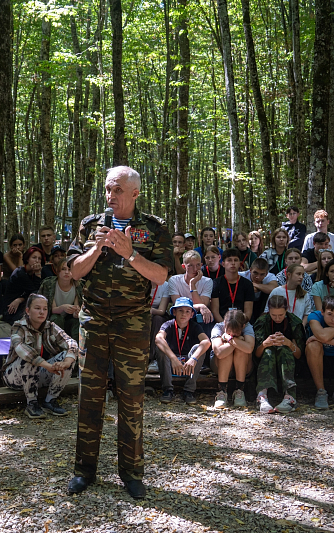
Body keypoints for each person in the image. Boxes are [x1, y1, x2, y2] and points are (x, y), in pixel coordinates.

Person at [67, 165, 172, 500]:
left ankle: (131, 473)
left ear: (135, 193)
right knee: (89, 397)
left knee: (131, 399)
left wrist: (130, 253)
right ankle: (84, 471)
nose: (110, 196)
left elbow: (159, 276)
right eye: (108, 190)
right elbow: (73, 272)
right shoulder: (89, 225)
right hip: (94, 321)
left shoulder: (154, 228)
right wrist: (96, 248)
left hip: (132, 324)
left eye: (117, 190)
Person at [2, 293, 78, 418]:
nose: (42, 312)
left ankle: (50, 400)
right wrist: (47, 365)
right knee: (28, 358)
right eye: (37, 308)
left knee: (68, 355)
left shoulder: (50, 326)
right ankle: (32, 403)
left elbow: (71, 343)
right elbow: (21, 349)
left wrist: (66, 362)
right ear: (28, 310)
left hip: (40, 373)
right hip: (15, 376)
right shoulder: (18, 326)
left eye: (45, 309)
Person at [252, 295, 306, 413]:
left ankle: (290, 397)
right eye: (273, 315)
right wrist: (265, 344)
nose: (277, 318)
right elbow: (256, 354)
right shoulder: (262, 322)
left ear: (286, 310)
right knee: (269, 351)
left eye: (281, 315)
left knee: (284, 350)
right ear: (269, 311)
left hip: (289, 361)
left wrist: (289, 344)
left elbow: (299, 355)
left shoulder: (294, 323)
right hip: (265, 359)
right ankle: (262, 396)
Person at [155, 297, 211, 405]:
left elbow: (206, 341)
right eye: (180, 310)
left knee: (199, 348)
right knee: (161, 348)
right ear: (174, 312)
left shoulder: (195, 326)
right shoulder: (168, 324)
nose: (183, 314)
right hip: (171, 362)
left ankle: (189, 390)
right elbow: (158, 338)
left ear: (191, 315)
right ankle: (168, 390)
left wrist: (193, 359)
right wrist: (173, 358)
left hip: (188, 362)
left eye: (187, 311)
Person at [209, 309, 254, 408]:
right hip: (220, 365)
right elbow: (219, 353)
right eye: (229, 333)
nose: (232, 335)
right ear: (224, 324)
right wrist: (237, 341)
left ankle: (239, 391)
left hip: (243, 365)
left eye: (235, 334)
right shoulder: (218, 327)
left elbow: (249, 348)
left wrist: (229, 339)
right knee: (226, 352)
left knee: (242, 350)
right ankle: (222, 391)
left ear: (243, 326)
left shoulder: (248, 327)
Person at [38, 257, 83, 341]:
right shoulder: (49, 284)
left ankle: (76, 348)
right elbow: (51, 310)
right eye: (63, 269)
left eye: (69, 269)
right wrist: (63, 308)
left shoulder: (78, 286)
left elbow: (77, 308)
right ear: (58, 271)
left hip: (69, 320)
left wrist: (76, 312)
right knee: (57, 318)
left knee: (77, 321)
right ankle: (57, 347)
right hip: (52, 319)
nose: (67, 272)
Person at [168, 250, 214, 328]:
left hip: (198, 316)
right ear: (184, 266)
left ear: (201, 265)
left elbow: (204, 303)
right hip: (181, 314)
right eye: (190, 265)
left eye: (198, 265)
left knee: (206, 317)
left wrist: (192, 284)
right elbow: (178, 305)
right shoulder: (174, 280)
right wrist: (200, 306)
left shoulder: (207, 281)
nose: (195, 269)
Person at [211, 249, 255, 323]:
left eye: (236, 260)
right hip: (222, 323)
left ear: (240, 263)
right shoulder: (216, 283)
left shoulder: (247, 284)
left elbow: (248, 312)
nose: (233, 263)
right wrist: (225, 326)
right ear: (223, 264)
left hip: (242, 323)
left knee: (249, 335)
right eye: (229, 260)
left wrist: (239, 326)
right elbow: (215, 312)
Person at [2, 246, 44, 324]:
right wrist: (38, 274)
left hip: (23, 305)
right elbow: (35, 292)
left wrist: (20, 299)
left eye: (39, 258)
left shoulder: (33, 273)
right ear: (28, 259)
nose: (37, 261)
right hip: (11, 309)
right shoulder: (20, 272)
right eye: (34, 258)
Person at [242, 258, 278, 324]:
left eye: (262, 274)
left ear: (266, 274)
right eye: (255, 273)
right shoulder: (242, 275)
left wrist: (254, 285)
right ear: (250, 270)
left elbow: (274, 289)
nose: (258, 277)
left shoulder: (270, 276)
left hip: (261, 305)